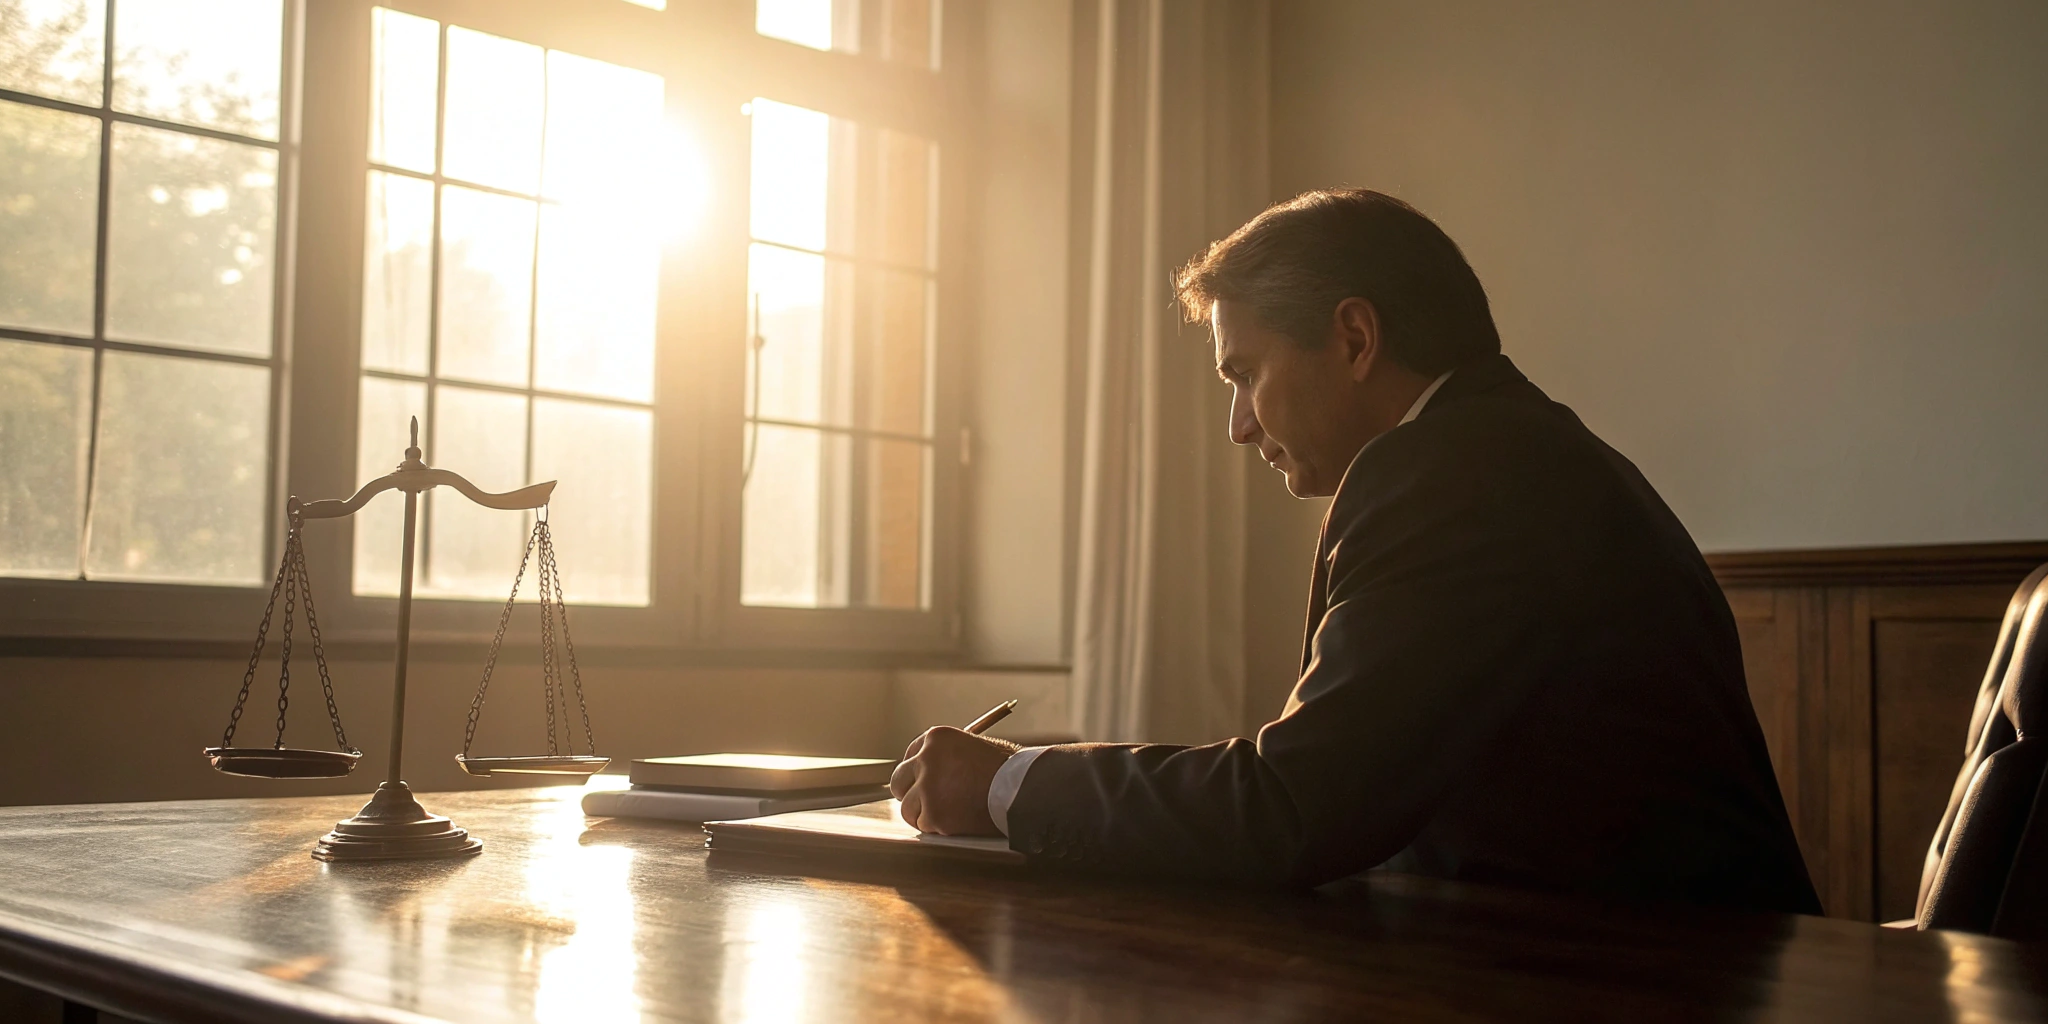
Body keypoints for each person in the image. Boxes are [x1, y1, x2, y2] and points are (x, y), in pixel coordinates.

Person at [890, 188, 1821, 914]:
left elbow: (1293, 810)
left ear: (1355, 337)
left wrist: (1010, 782)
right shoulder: (1513, 448)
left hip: (1650, 979)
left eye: (1245, 372)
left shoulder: (1452, 475)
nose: (1239, 424)